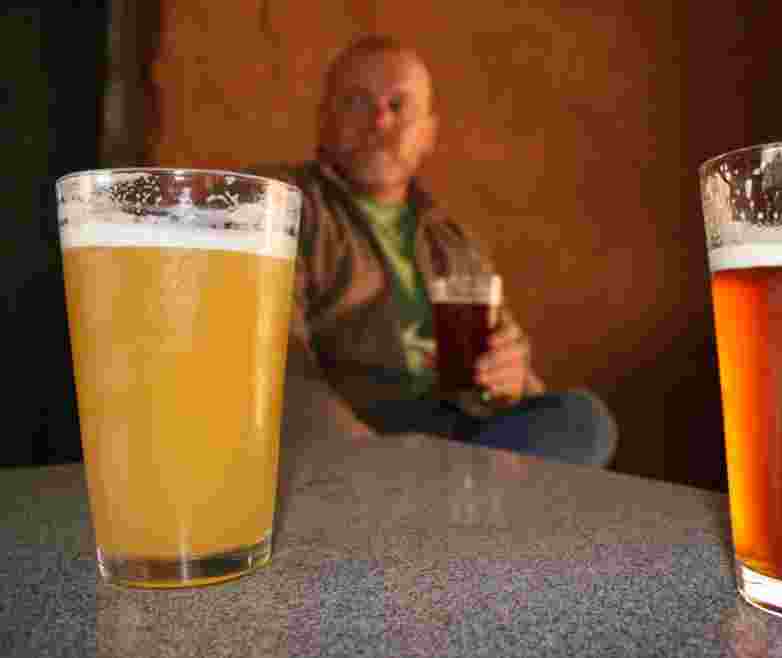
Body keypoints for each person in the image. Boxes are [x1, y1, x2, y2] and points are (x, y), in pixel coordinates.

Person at [249, 35, 616, 467]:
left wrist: (513, 377)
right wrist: (361, 452)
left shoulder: (450, 238)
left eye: (398, 105)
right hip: (355, 427)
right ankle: (444, 492)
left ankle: (436, 491)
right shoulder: (286, 203)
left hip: (451, 429)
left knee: (583, 418)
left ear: (427, 133)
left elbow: (512, 373)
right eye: (357, 102)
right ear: (324, 119)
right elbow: (274, 356)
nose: (380, 123)